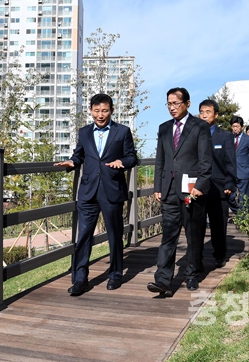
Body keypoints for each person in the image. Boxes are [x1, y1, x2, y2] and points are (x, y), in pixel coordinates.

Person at [54, 93, 137, 296]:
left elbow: (132, 157)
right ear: (91, 110)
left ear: (111, 111)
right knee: (83, 236)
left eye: (105, 111)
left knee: (114, 235)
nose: (100, 115)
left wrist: (122, 162)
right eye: (97, 111)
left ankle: (115, 274)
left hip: (112, 191)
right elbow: (79, 155)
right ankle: (80, 279)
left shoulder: (122, 131)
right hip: (88, 192)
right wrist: (72, 162)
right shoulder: (84, 132)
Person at [147, 87, 212, 296]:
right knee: (168, 235)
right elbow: (160, 159)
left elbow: (205, 160)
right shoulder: (164, 128)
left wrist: (200, 186)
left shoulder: (200, 126)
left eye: (176, 103)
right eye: (169, 104)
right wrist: (158, 186)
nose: (172, 108)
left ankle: (192, 274)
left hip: (191, 190)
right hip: (169, 190)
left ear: (187, 104)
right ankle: (162, 280)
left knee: (193, 234)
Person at [199, 99, 236, 269]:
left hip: (220, 187)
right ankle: (196, 257)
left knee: (218, 225)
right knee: (197, 225)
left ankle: (220, 254)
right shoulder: (194, 134)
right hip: (199, 188)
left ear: (216, 114)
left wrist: (230, 183)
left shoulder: (225, 136)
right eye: (202, 112)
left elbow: (230, 162)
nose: (204, 115)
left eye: (208, 112)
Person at [230, 116, 249, 212]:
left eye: (237, 126)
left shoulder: (248, 139)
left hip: (243, 172)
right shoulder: (229, 138)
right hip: (231, 172)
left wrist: (246, 163)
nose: (235, 128)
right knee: (230, 197)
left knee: (243, 197)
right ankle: (237, 212)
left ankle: (243, 217)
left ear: (242, 127)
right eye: (233, 126)